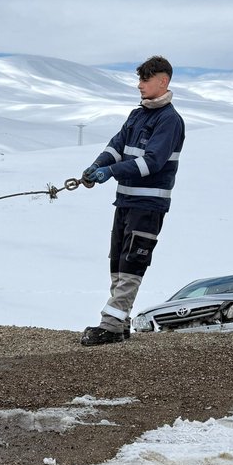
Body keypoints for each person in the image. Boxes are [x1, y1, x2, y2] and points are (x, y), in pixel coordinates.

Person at [79, 55, 185, 346]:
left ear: (162, 81)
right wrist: (97, 165)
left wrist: (110, 171)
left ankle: (111, 326)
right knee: (117, 262)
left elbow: (151, 163)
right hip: (125, 202)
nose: (139, 85)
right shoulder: (137, 115)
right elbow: (116, 145)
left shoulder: (170, 121)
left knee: (132, 264)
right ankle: (120, 321)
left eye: (145, 79)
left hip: (149, 206)